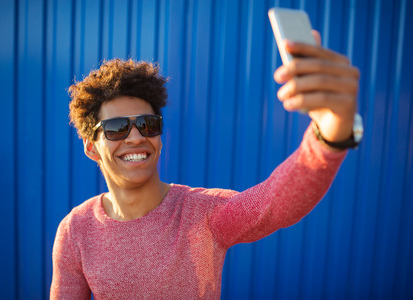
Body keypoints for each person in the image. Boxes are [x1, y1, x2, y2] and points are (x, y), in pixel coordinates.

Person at [50, 31, 362, 299]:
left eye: (147, 124)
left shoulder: (201, 215)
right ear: (92, 147)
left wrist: (331, 134)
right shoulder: (76, 230)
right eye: (118, 128)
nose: (135, 137)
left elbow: (274, 203)